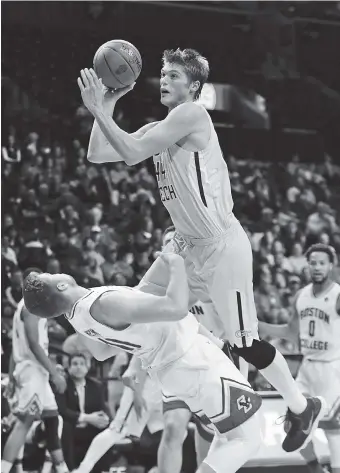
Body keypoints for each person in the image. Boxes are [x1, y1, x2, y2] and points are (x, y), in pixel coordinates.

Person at [78, 48, 324, 452]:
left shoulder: (192, 115)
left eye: (173, 75)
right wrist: (105, 104)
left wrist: (97, 109)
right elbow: (100, 152)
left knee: (245, 341)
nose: (164, 80)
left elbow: (131, 151)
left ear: (193, 86)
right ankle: (140, 365)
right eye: (162, 73)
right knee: (135, 308)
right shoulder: (162, 126)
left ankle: (301, 406)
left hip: (221, 246)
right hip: (183, 245)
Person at [23, 253, 263, 473]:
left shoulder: (76, 316)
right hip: (192, 360)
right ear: (62, 285)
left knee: (227, 436)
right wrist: (176, 265)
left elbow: (101, 353)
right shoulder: (103, 302)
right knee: (248, 438)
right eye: (50, 275)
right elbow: (176, 308)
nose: (55, 272)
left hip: (172, 371)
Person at [259, 244, 340, 473]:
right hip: (307, 366)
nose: (317, 267)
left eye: (322, 263)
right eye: (313, 262)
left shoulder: (337, 295)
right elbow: (291, 333)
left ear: (330, 266)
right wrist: (257, 327)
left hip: (332, 367)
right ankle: (315, 468)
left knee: (332, 425)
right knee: (292, 425)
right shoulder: (301, 296)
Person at [1, 268, 68, 473]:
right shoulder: (30, 308)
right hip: (32, 371)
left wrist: (12, 376)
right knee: (24, 422)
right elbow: (33, 345)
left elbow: (15, 348)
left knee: (52, 418)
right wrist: (55, 373)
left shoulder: (30, 306)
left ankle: (61, 468)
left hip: (30, 370)